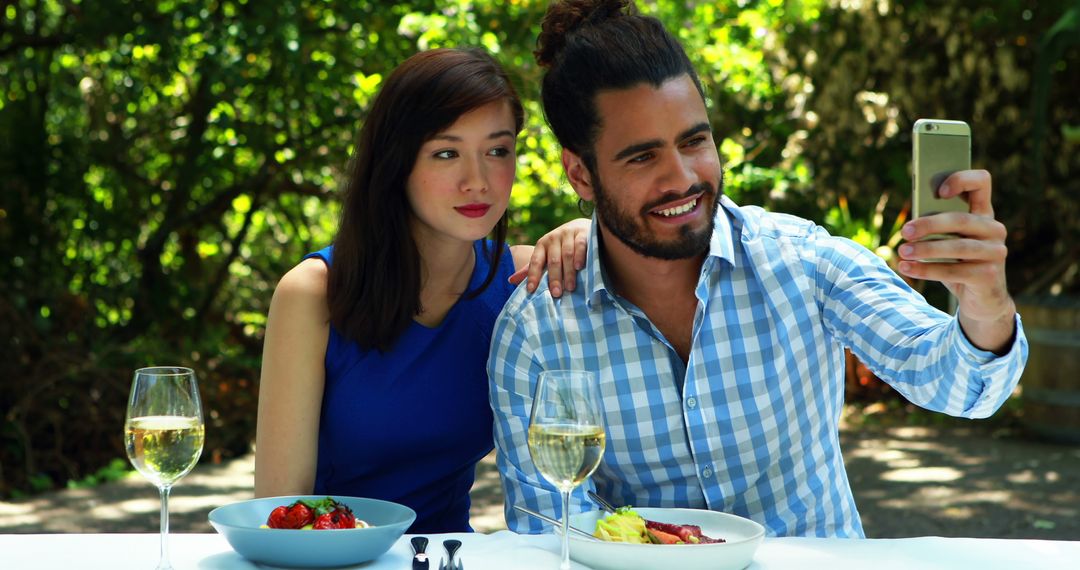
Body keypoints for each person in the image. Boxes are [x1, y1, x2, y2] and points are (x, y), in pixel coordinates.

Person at [488, 0, 1028, 538]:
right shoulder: (539, 328)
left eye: (694, 141)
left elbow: (962, 391)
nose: (682, 178)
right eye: (643, 157)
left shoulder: (802, 262)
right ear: (580, 174)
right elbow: (552, 530)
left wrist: (985, 302)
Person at [254, 47, 590, 534]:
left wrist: (586, 234)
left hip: (452, 558)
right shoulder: (314, 293)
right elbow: (279, 516)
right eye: (446, 153)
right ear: (397, 162)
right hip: (331, 561)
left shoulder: (521, 283)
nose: (477, 181)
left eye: (497, 151)